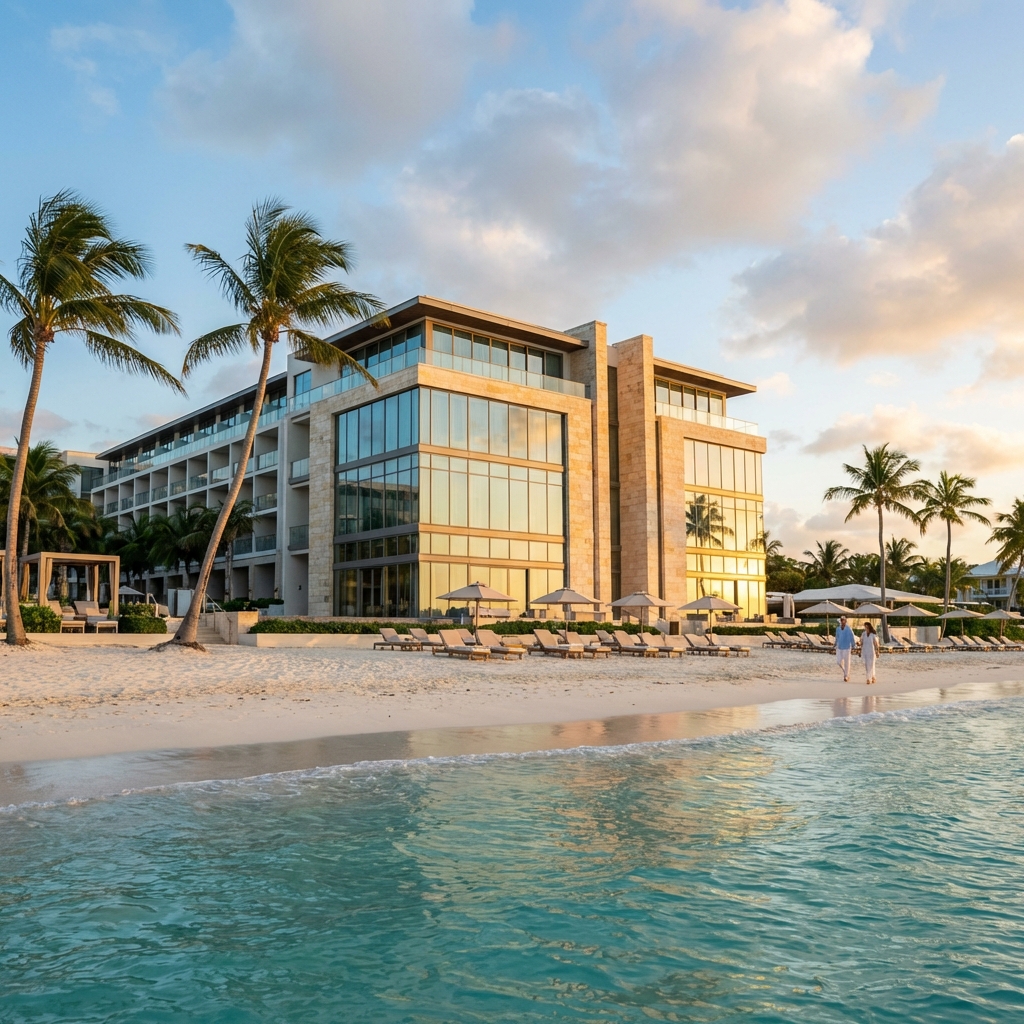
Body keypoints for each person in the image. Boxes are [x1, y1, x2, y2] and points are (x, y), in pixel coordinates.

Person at [834, 616, 855, 682]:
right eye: (841, 620)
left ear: (845, 621)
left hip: (847, 647)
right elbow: (837, 637)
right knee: (839, 662)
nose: (842, 621)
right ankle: (845, 672)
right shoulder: (838, 629)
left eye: (843, 620)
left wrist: (854, 645)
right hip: (839, 647)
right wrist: (835, 644)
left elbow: (852, 638)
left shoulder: (849, 629)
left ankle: (846, 676)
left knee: (847, 662)